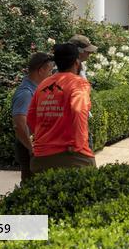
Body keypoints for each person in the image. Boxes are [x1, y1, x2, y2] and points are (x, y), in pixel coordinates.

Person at [27, 43, 95, 172]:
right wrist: (78, 145)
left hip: (41, 157)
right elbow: (78, 110)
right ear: (77, 62)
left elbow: (30, 117)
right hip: (72, 156)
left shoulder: (43, 85)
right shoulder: (78, 83)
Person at [11, 52, 54, 182]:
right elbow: (19, 124)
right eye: (50, 70)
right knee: (32, 184)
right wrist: (31, 148)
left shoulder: (36, 90)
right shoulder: (26, 93)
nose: (51, 74)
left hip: (35, 145)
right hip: (29, 147)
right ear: (41, 70)